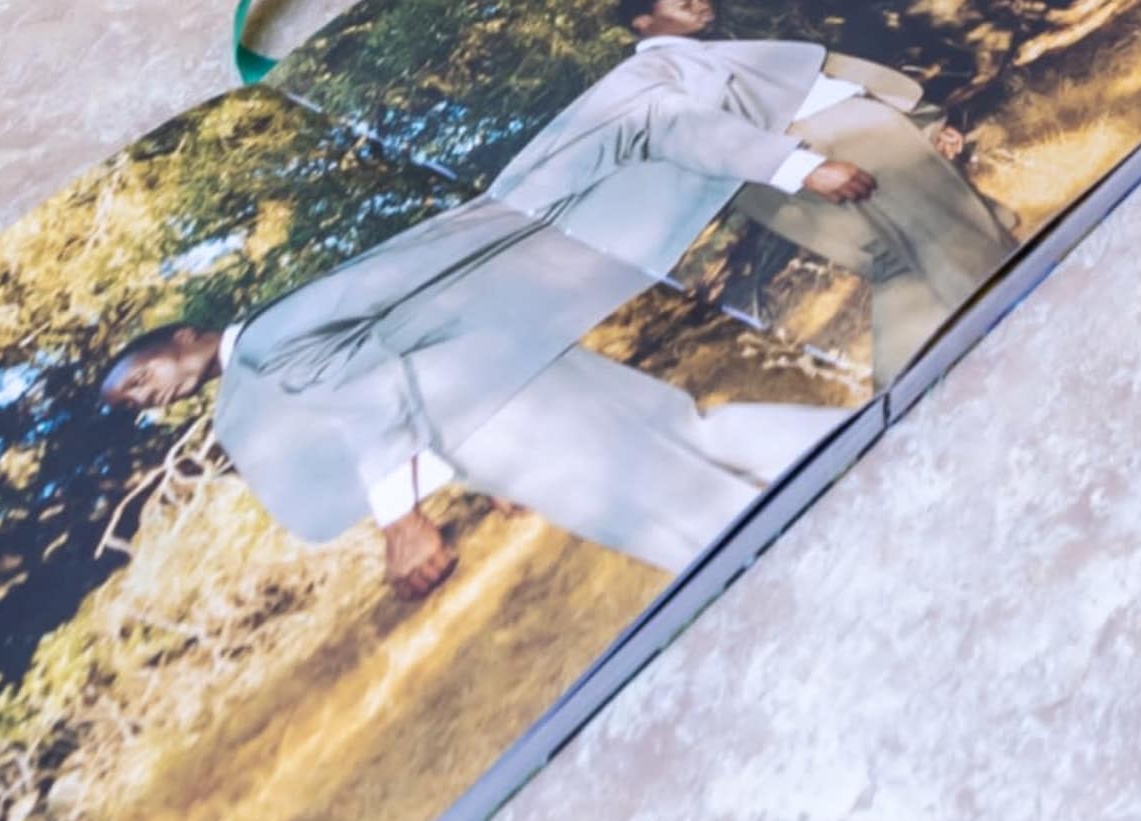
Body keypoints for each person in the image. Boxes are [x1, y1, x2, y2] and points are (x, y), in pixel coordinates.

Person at [102, 189, 843, 597]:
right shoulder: (278, 323)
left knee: (665, 510)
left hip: (504, 414)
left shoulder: (262, 346)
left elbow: (368, 394)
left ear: (183, 337)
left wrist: (400, 521)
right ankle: (859, 437)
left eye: (139, 377)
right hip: (515, 375)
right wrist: (489, 475)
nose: (147, 396)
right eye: (134, 403)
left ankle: (818, 580)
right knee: (691, 432)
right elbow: (395, 364)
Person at [494, 0, 1015, 386]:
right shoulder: (648, 71)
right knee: (954, 238)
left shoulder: (713, 53)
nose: (701, 4)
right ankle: (1015, 334)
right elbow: (675, 123)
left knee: (900, 267)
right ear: (643, 21)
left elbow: (824, 85)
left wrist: (924, 127)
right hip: (821, 151)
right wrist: (802, 167)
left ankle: (916, 393)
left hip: (814, 157)